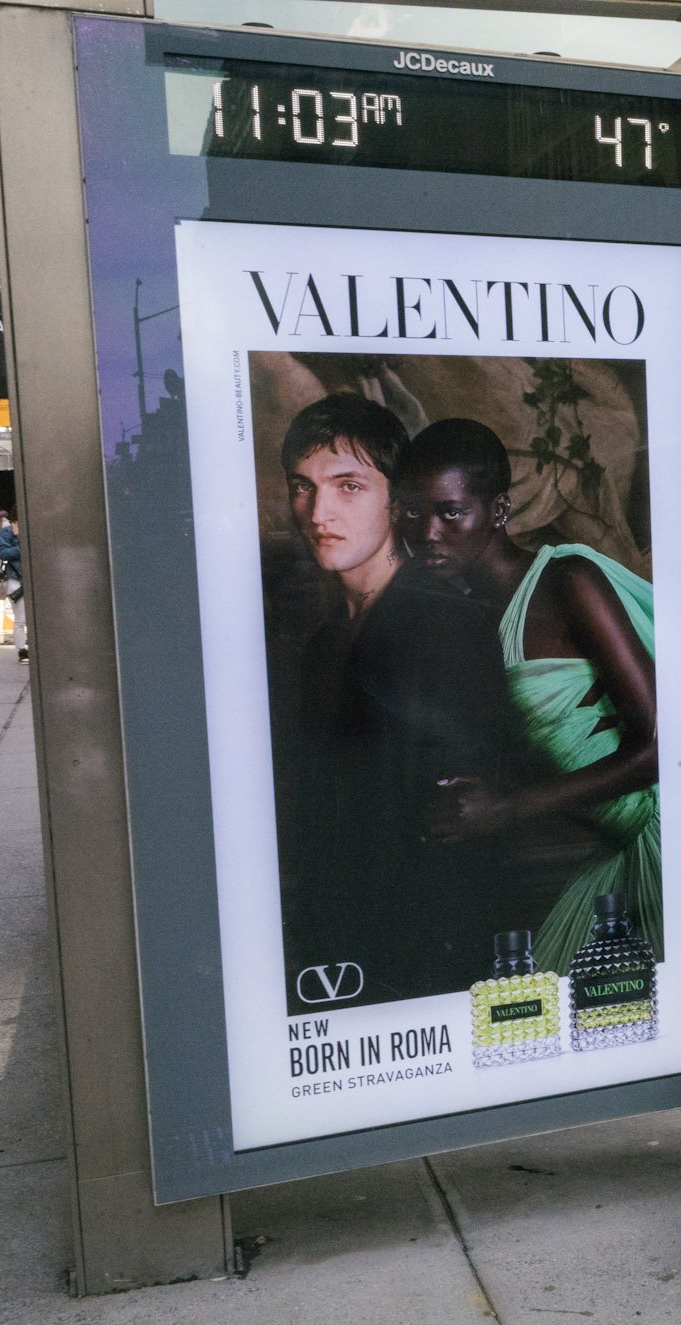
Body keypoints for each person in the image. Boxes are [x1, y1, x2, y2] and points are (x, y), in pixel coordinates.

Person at [274, 394, 522, 1010]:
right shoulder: (324, 640)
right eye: (302, 487)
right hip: (340, 942)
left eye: (349, 486)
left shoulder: (447, 623)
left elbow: (463, 818)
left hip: (422, 955)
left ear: (396, 500)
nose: (319, 511)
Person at [392, 417, 661, 978]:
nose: (428, 534)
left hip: (657, 843)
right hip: (606, 852)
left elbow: (662, 745)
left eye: (451, 512)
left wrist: (509, 807)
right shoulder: (465, 611)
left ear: (499, 511)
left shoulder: (567, 583)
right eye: (413, 512)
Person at [0, 510, 27, 661]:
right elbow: (2, 553)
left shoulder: (33, 529)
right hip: (15, 578)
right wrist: (21, 546)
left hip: (31, 577)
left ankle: (31, 648)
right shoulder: (7, 532)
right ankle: (22, 650)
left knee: (33, 618)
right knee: (21, 618)